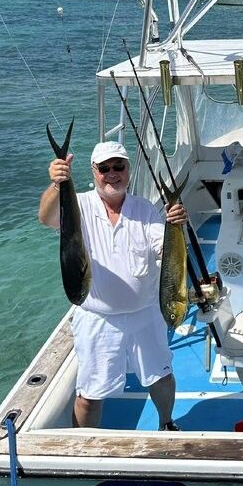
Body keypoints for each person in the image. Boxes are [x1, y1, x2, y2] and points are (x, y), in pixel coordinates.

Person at [38, 140, 188, 430]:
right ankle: (83, 444)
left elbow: (163, 250)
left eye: (118, 166)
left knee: (161, 377)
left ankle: (166, 423)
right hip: (97, 319)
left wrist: (176, 224)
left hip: (146, 314)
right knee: (90, 394)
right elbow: (46, 218)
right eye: (104, 168)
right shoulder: (78, 204)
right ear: (94, 172)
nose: (112, 173)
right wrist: (57, 185)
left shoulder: (144, 210)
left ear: (128, 169)